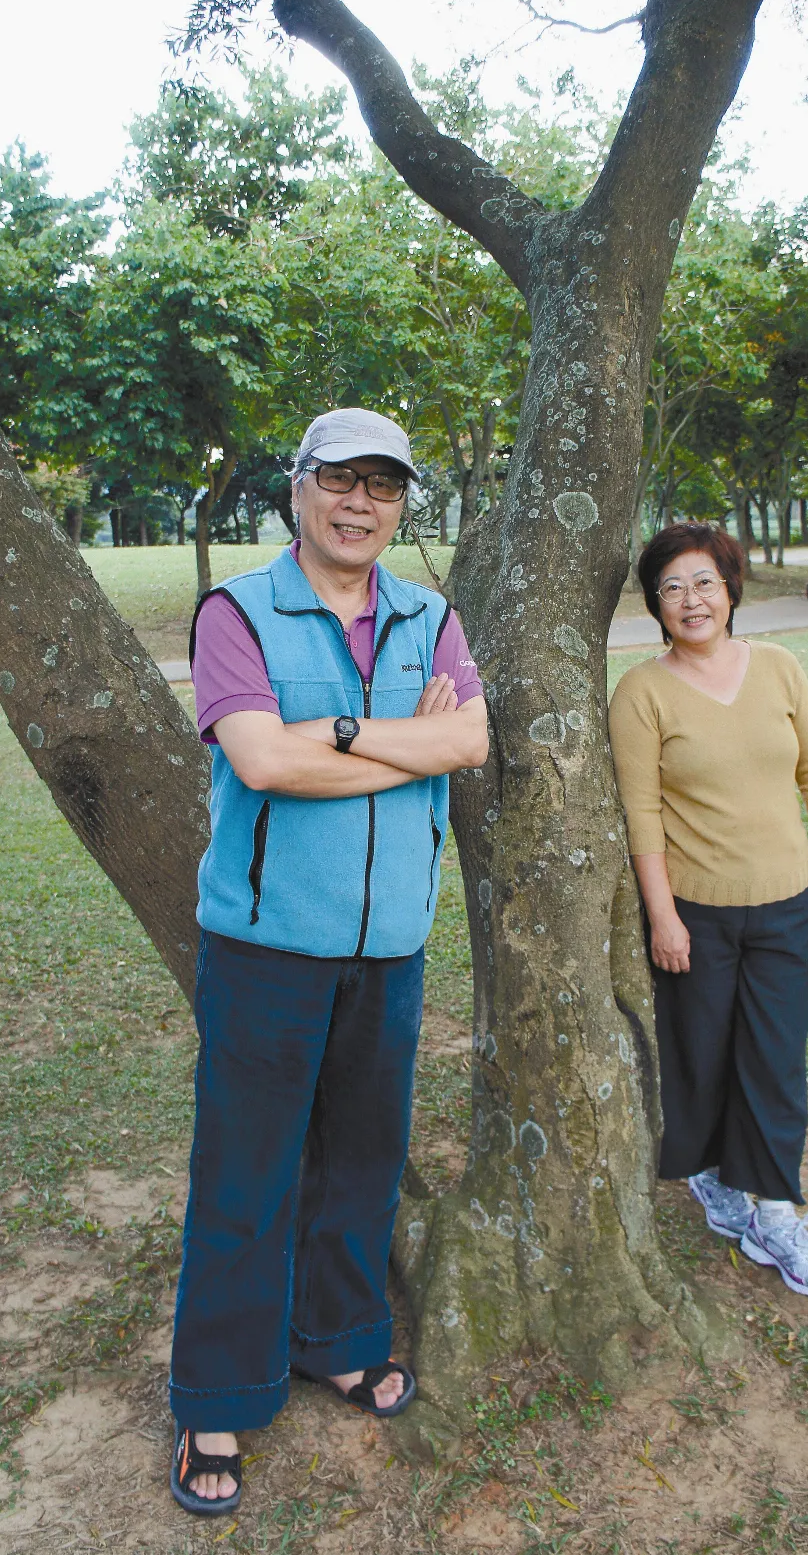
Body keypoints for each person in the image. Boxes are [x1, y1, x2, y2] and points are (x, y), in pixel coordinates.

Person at [168, 407, 489, 1517]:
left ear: (402, 505)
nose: (361, 503)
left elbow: (470, 740)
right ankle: (216, 1393)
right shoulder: (238, 613)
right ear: (298, 488)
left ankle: (339, 1340)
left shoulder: (431, 617)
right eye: (340, 479)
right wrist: (402, 741)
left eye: (383, 485)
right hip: (266, 949)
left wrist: (341, 736)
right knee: (246, 1176)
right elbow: (261, 761)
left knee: (362, 1161)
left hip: (390, 947)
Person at [608, 522, 808, 1299]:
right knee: (701, 1051)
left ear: (730, 588)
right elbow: (642, 812)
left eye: (704, 582)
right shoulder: (642, 692)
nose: (691, 599)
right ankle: (712, 1174)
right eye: (672, 587)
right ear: (656, 604)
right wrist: (662, 915)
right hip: (696, 911)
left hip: (784, 904)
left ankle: (774, 1211)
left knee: (775, 1058)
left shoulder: (779, 667)